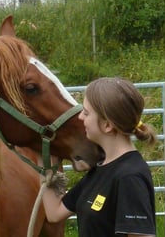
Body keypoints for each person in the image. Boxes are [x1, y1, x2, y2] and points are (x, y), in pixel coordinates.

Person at [39, 77, 157, 237]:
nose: (80, 117)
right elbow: (54, 213)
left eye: (86, 113)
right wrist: (46, 153)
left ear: (107, 125)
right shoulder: (101, 168)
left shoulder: (129, 177)